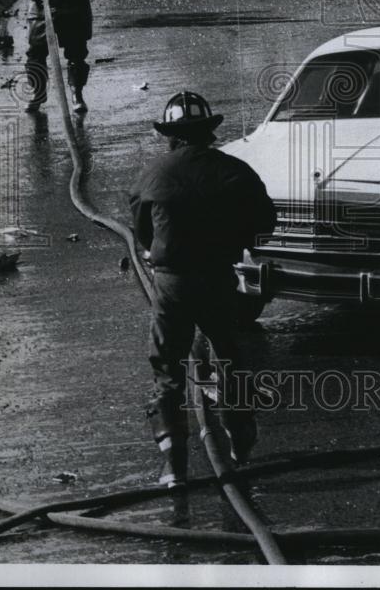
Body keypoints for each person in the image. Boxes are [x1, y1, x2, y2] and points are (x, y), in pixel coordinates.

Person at [130, 91, 277, 487]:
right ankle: (239, 440)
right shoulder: (235, 171)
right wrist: (234, 238)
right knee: (229, 355)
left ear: (171, 135)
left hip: (172, 284)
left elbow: (141, 228)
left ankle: (173, 467)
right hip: (217, 279)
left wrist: (156, 249)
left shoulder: (153, 174)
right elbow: (264, 222)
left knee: (168, 369)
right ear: (208, 131)